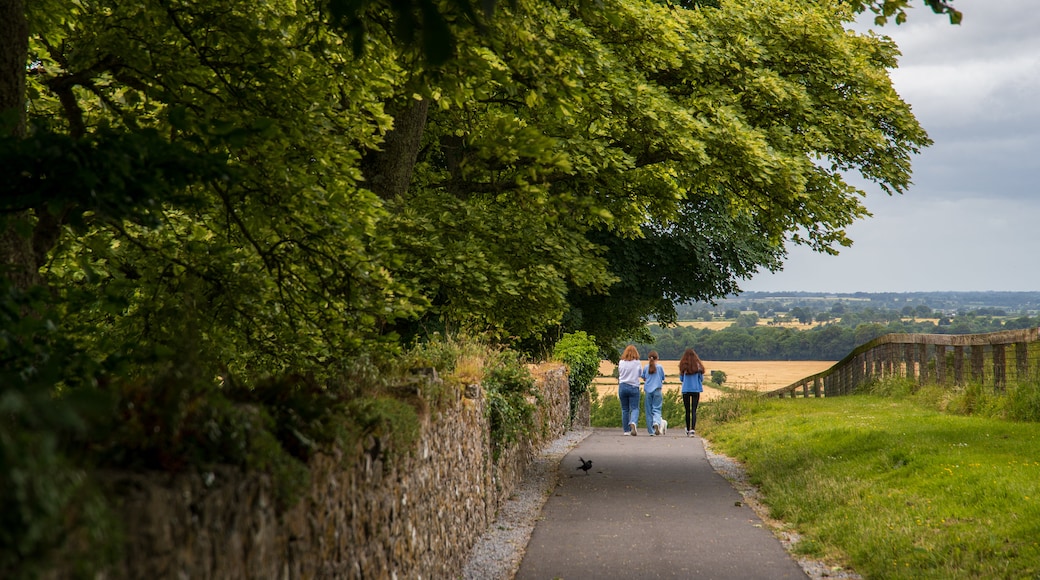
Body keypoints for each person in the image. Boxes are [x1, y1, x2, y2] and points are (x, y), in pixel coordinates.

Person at [678, 347, 706, 437]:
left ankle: (687, 428)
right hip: (696, 389)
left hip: (686, 390)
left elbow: (681, 379)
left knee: (687, 410)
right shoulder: (698, 366)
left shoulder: (683, 366)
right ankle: (693, 429)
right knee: (694, 410)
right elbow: (701, 379)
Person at [617, 345, 642, 436]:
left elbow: (620, 373)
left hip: (623, 386)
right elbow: (640, 374)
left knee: (625, 409)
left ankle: (626, 430)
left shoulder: (621, 362)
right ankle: (633, 422)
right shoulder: (637, 362)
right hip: (633, 386)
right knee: (635, 408)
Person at [641, 351, 665, 436]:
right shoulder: (660, 367)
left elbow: (643, 377)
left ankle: (651, 431)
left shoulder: (646, 367)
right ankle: (656, 422)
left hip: (648, 391)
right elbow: (663, 378)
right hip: (657, 390)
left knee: (648, 411)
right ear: (657, 358)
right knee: (657, 409)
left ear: (648, 358)